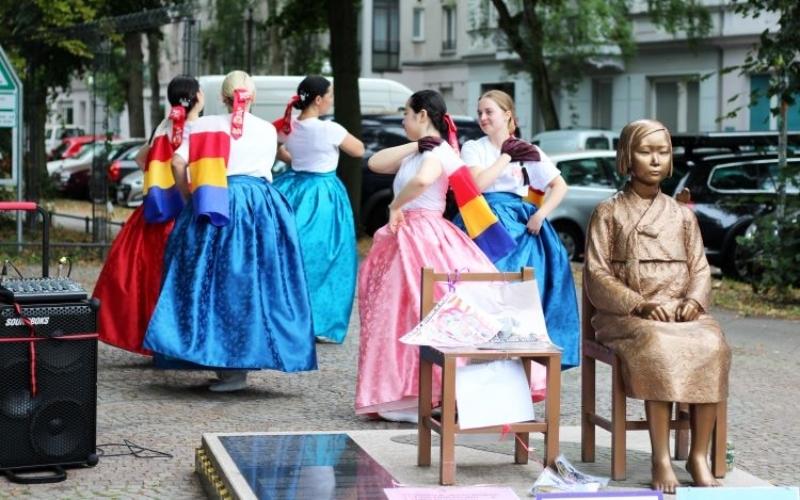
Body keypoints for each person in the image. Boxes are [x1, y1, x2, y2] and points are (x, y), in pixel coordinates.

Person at [143, 70, 317, 392]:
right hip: (261, 207)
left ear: (223, 98)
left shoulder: (204, 125)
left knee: (206, 280)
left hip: (216, 200)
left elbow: (178, 165)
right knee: (254, 284)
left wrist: (188, 198)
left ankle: (216, 356)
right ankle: (239, 364)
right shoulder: (267, 130)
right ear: (253, 98)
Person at [584, 119, 731, 493]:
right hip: (628, 316)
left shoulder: (683, 215)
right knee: (660, 347)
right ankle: (660, 457)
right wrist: (640, 304)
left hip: (682, 313)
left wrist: (693, 301)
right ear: (626, 157)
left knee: (712, 344)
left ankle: (698, 454)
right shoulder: (609, 212)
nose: (654, 160)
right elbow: (597, 276)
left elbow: (700, 268)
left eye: (662, 152)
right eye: (645, 151)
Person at [355, 90, 503, 422]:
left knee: (420, 311)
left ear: (422, 115)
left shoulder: (439, 151)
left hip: (424, 236)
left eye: (407, 114)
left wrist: (395, 205)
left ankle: (425, 392)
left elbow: (423, 181)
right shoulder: (424, 150)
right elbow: (375, 162)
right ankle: (404, 392)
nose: (404, 120)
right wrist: (415, 144)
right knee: (401, 312)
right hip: (410, 235)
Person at [453, 90, 580, 369]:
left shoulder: (527, 150)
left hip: (520, 224)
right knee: (482, 290)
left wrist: (541, 215)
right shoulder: (474, 148)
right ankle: (478, 362)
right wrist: (505, 157)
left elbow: (559, 186)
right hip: (481, 219)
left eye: (489, 112)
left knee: (523, 294)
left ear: (507, 115)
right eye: (480, 113)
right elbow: (477, 186)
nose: (483, 118)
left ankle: (522, 367)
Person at [93, 75, 203, 355]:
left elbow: (141, 159)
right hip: (186, 209)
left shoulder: (162, 127)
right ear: (196, 97)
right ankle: (177, 341)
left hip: (156, 211)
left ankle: (150, 338)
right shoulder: (199, 128)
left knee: (147, 277)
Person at [272, 76, 365, 344]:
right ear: (318, 99)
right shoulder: (329, 129)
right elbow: (358, 150)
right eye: (330, 95)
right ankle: (318, 320)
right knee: (327, 256)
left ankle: (287, 316)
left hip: (293, 187)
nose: (332, 100)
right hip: (323, 193)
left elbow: (277, 147)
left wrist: (294, 159)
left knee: (291, 253)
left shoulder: (289, 126)